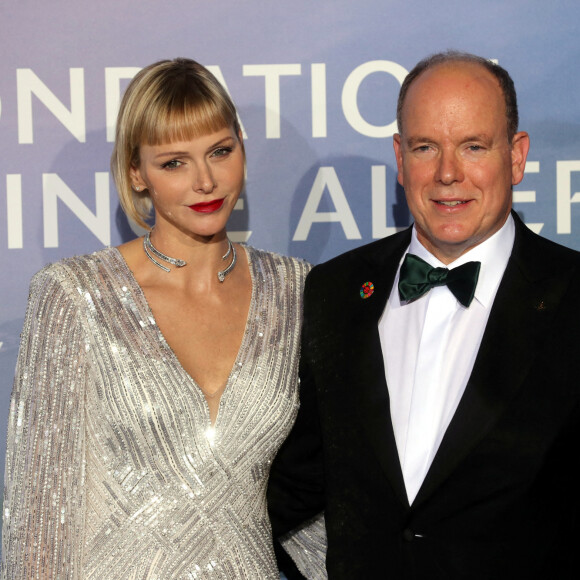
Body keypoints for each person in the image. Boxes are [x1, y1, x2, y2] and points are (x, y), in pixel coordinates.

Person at [268, 51, 580, 578]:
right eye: (425, 147)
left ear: (517, 155)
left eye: (474, 146)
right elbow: (292, 485)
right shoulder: (334, 292)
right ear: (399, 156)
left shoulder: (573, 298)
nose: (447, 173)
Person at [1, 58, 312, 579]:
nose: (206, 180)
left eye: (220, 151)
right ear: (136, 173)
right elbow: (42, 515)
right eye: (174, 163)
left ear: (242, 147)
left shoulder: (298, 291)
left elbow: (327, 485)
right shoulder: (76, 296)